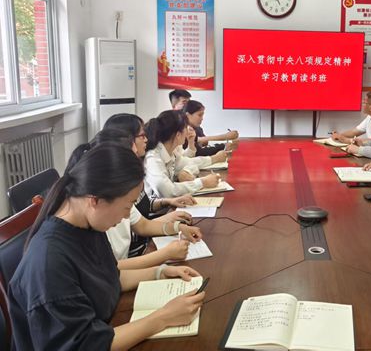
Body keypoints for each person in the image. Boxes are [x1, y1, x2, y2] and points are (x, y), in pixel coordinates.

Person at [9, 145, 206, 350]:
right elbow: (86, 344)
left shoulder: (88, 226)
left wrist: (160, 272)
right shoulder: (49, 263)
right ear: (95, 200)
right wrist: (164, 317)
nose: (126, 216)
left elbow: (110, 277)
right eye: (127, 206)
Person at [70, 128, 202, 270]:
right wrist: (164, 255)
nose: (126, 215)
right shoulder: (95, 216)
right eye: (140, 136)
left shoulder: (114, 197)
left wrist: (177, 227)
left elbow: (142, 225)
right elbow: (112, 270)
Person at [145, 110, 227, 198]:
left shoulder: (171, 151)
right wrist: (203, 182)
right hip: (159, 206)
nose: (187, 131)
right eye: (185, 127)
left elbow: (190, 162)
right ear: (178, 135)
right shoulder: (153, 158)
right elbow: (168, 191)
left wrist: (187, 171)